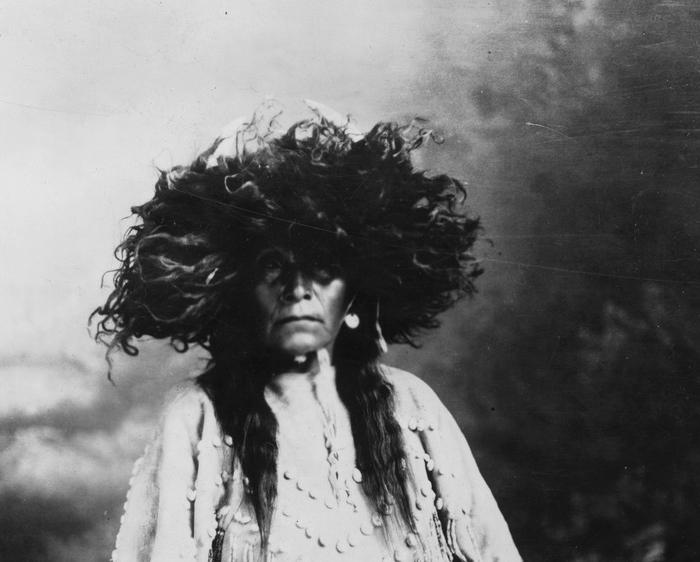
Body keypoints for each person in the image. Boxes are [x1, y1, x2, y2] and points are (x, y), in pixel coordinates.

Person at [93, 103, 522, 562]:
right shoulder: (199, 415)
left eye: (322, 266)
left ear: (355, 291)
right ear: (236, 287)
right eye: (272, 265)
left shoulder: (413, 406)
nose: (299, 290)